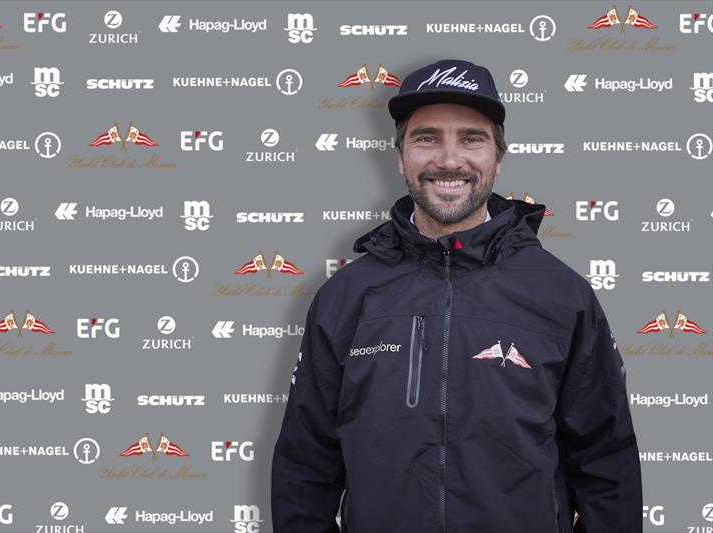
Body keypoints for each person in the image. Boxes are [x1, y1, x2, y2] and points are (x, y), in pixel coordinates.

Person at [271, 59, 642, 533]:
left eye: (472, 138)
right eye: (427, 138)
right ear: (400, 157)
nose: (449, 160)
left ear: (498, 158)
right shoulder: (346, 295)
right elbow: (305, 466)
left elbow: (606, 463)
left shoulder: (562, 294)